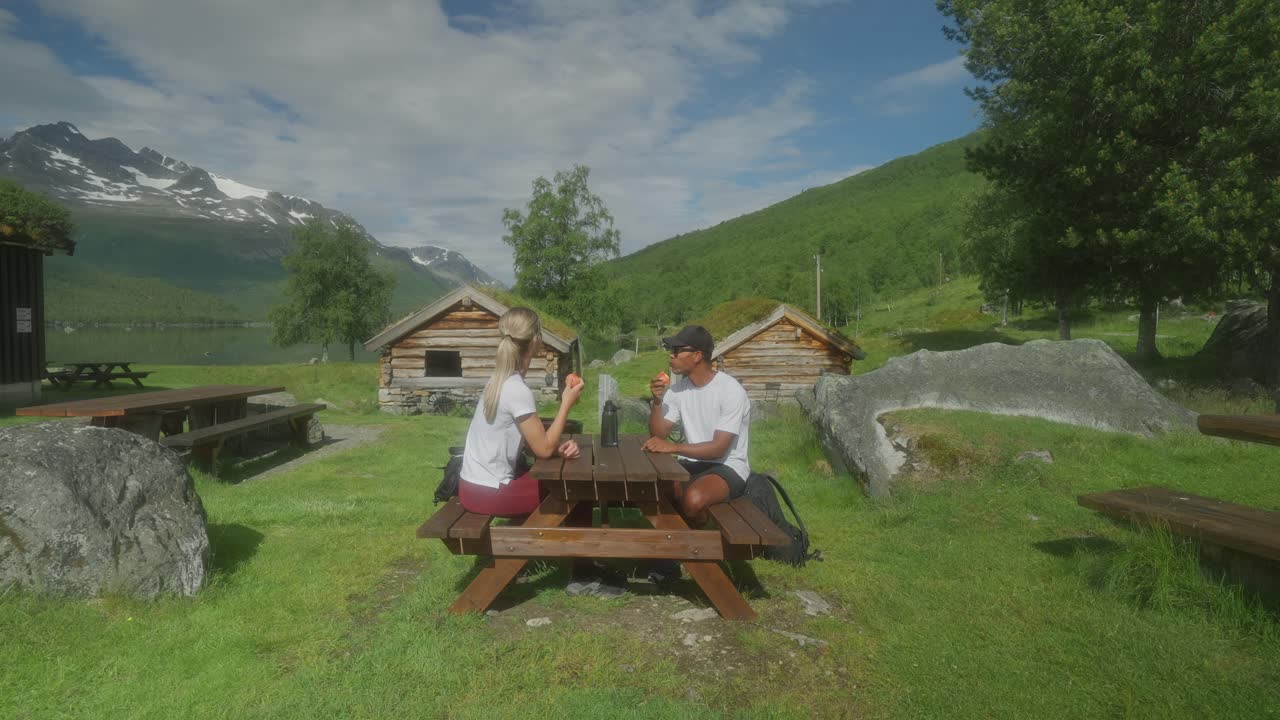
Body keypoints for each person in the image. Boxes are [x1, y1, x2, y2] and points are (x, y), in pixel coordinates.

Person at [459, 307, 583, 517]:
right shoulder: (516, 389)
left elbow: (536, 444)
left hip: (472, 487)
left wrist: (556, 449)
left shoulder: (498, 380)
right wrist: (566, 403)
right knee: (576, 486)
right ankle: (574, 548)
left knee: (566, 479)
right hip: (491, 493)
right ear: (535, 340)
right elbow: (543, 450)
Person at [643, 324, 751, 527]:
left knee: (692, 500)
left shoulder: (730, 391)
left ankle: (701, 538)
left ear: (697, 355)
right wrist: (657, 402)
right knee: (655, 489)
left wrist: (673, 448)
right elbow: (659, 434)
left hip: (728, 466)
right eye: (671, 351)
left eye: (677, 351)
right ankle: (679, 541)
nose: (671, 356)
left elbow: (719, 449)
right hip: (692, 461)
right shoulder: (676, 391)